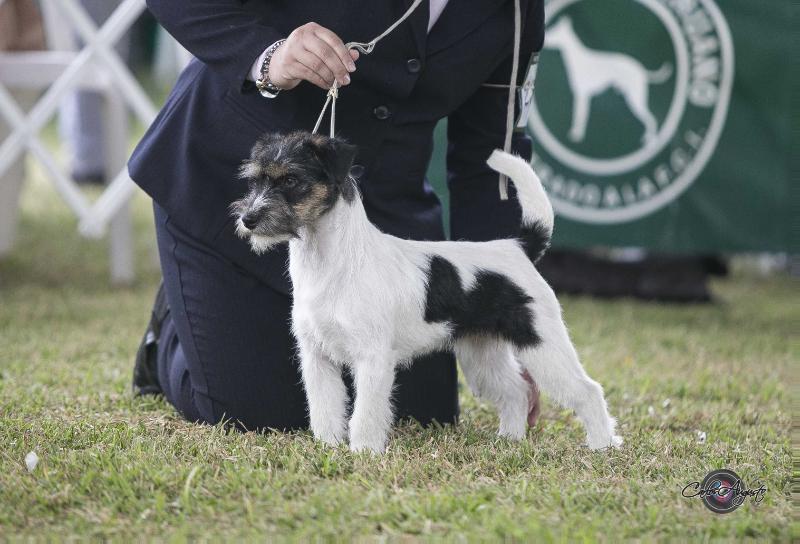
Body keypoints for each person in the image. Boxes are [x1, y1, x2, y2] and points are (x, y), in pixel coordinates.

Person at [130, 0, 544, 433]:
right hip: (228, 180)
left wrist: (506, 313)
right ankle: (169, 332)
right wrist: (269, 56)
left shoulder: (517, 10)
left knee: (420, 417)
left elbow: (488, 164)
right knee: (257, 415)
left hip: (381, 223)